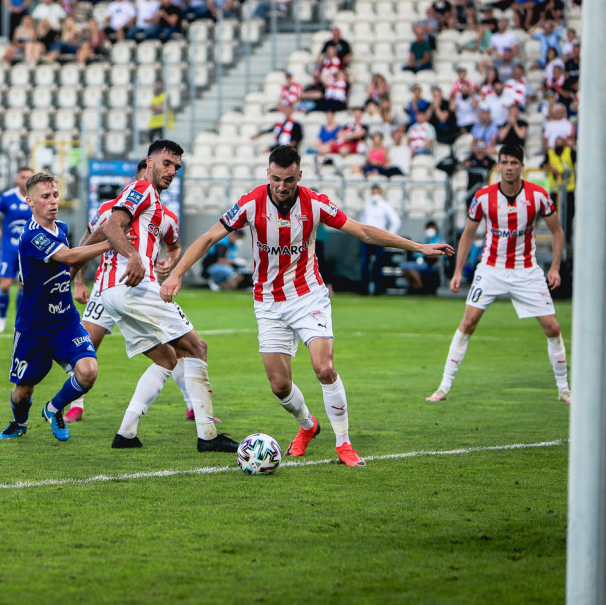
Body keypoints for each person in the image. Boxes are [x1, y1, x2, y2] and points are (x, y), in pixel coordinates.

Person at [161, 145, 453, 466]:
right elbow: (207, 238)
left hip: (308, 295)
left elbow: (364, 232)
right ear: (267, 174)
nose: (281, 186)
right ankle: (307, 425)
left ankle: (344, 444)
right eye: (275, 179)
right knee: (279, 385)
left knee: (324, 368)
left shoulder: (315, 203)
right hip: (268, 301)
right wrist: (177, 274)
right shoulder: (249, 204)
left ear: (300, 175)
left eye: (288, 179)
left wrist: (417, 246)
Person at [86, 140, 236, 452]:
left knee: (167, 358)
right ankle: (208, 435)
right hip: (133, 287)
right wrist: (134, 257)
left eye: (177, 167)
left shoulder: (156, 205)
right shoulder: (141, 189)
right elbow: (112, 227)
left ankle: (126, 434)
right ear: (150, 162)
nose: (171, 171)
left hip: (116, 292)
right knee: (196, 346)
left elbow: (166, 242)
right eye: (166, 163)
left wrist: (161, 260)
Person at [427, 145, 570, 404]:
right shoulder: (483, 197)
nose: (509, 167)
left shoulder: (539, 196)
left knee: (553, 327)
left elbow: (558, 231)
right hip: (491, 268)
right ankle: (444, 387)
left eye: (514, 162)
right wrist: (458, 271)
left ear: (522, 166)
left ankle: (563, 389)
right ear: (498, 166)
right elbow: (468, 234)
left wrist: (555, 267)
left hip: (526, 269)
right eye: (504, 162)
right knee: (468, 322)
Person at [0, 172, 111, 442]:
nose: (53, 201)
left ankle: (54, 408)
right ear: (30, 201)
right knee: (23, 390)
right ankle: (20, 422)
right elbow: (68, 256)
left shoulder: (60, 228)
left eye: (55, 195)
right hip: (34, 326)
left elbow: (67, 266)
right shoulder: (31, 237)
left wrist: (78, 281)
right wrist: (111, 242)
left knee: (89, 371)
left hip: (65, 320)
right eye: (45, 197)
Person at [0, 167, 34, 333]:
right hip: (8, 249)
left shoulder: (36, 198)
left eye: (29, 177)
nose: (26, 180)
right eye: (23, 176)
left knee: (23, 286)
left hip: (28, 250)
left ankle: (18, 322)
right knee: (5, 285)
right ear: (17, 178)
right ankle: (2, 319)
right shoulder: (7, 197)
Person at [358, 185, 402, 295]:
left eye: (377, 192)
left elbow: (396, 221)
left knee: (378, 265)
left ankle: (378, 290)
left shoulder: (385, 206)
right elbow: (362, 221)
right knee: (364, 265)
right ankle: (364, 289)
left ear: (381, 193)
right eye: (373, 192)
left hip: (379, 238)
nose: (375, 195)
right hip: (366, 238)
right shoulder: (367, 206)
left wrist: (388, 237)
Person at [401, 221, 444, 294]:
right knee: (404, 266)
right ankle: (415, 286)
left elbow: (441, 254)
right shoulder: (426, 239)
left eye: (432, 227)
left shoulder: (440, 240)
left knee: (409, 267)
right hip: (420, 261)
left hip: (431, 263)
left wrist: (428, 255)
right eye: (428, 228)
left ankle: (419, 286)